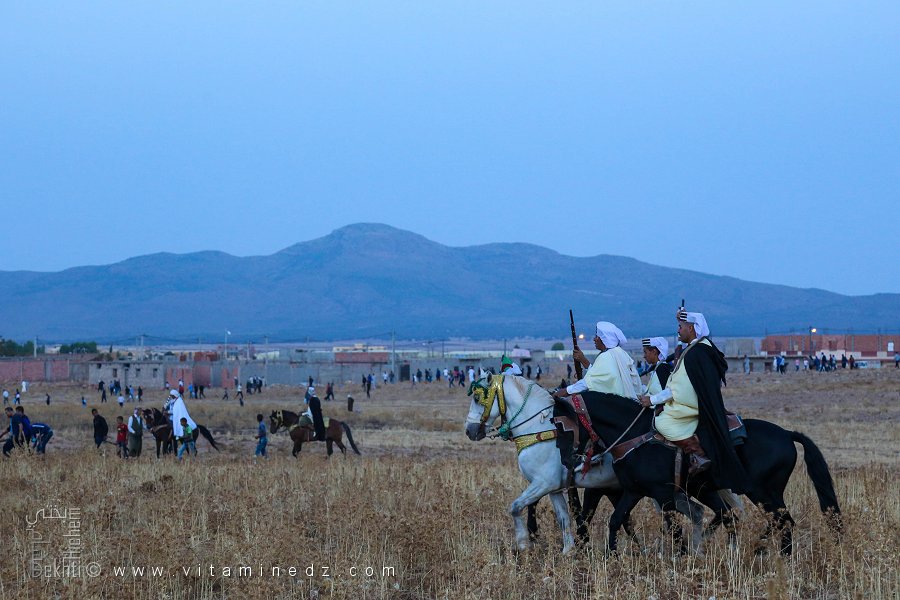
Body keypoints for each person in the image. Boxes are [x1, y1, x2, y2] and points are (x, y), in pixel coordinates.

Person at [639, 309, 750, 493]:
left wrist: (651, 400)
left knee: (661, 422)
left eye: (681, 327)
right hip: (686, 401)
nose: (678, 330)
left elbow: (678, 390)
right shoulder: (697, 348)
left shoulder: (697, 352)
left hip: (688, 405)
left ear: (691, 328)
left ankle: (697, 453)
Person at [552, 321, 642, 405]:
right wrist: (583, 359)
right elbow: (601, 376)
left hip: (614, 406)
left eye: (596, 337)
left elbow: (587, 383)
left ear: (603, 339)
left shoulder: (606, 356)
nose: (594, 339)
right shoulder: (619, 354)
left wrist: (563, 392)